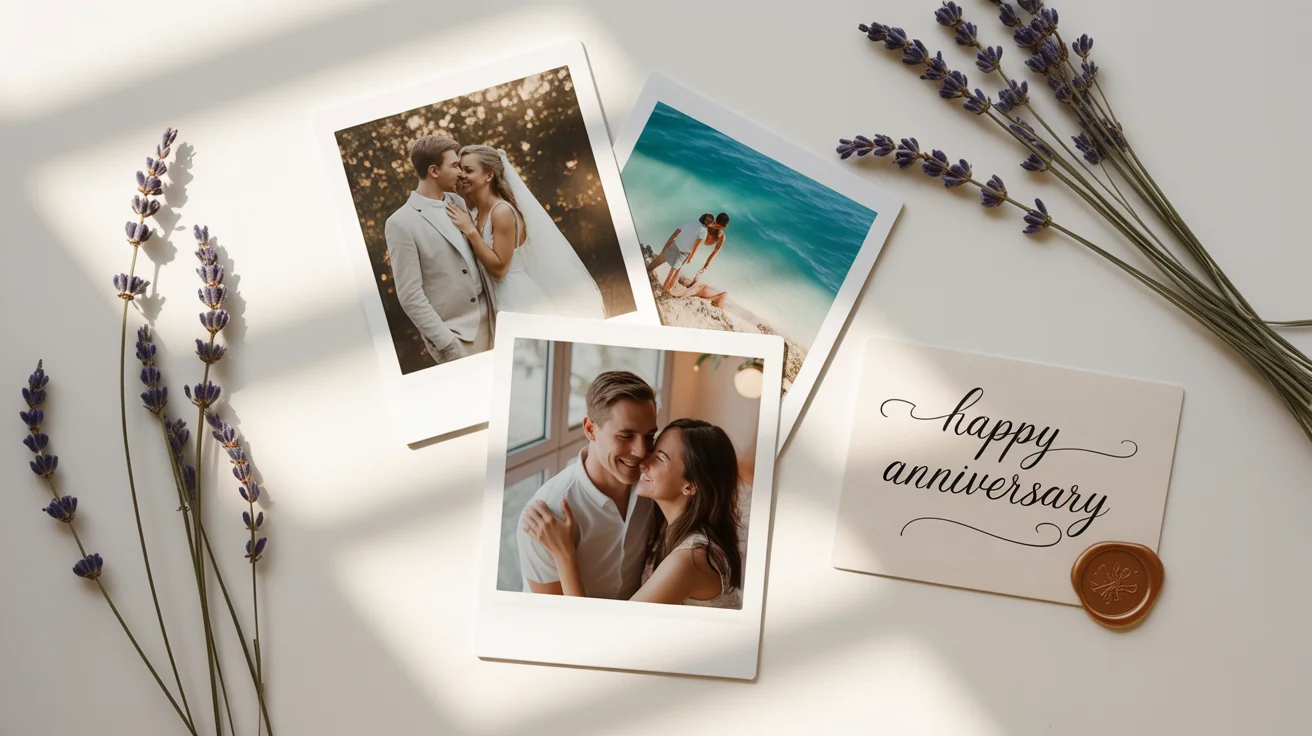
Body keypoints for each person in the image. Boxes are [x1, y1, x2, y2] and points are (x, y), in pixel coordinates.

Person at [523, 417, 744, 608]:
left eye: (660, 458)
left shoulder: (690, 560)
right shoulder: (668, 524)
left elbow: (607, 636)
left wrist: (564, 555)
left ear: (690, 486)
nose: (642, 461)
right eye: (653, 450)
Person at [516, 371, 659, 598]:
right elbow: (554, 619)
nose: (642, 451)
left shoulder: (653, 486)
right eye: (626, 436)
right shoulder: (546, 516)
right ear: (590, 429)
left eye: (649, 436)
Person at [446, 145, 607, 320]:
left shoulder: (501, 212)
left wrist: (470, 231)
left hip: (515, 301)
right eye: (460, 169)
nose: (461, 174)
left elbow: (500, 269)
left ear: (489, 175)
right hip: (495, 298)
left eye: (468, 170)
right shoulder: (477, 212)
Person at [383, 135, 498, 365]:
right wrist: (447, 344)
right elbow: (410, 295)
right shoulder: (401, 222)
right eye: (455, 166)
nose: (460, 173)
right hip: (458, 338)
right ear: (434, 171)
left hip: (494, 321)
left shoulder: (458, 201)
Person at [648, 214, 712, 295]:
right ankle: (663, 293)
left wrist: (666, 246)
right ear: (708, 224)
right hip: (683, 253)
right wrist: (690, 258)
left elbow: (676, 233)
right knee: (672, 273)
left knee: (659, 260)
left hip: (675, 245)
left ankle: (646, 270)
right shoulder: (704, 230)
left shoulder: (691, 220)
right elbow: (696, 246)